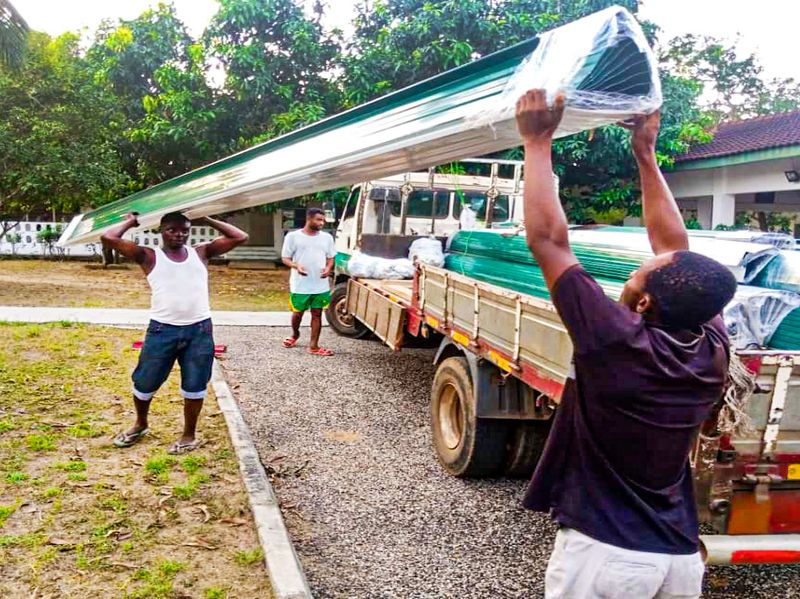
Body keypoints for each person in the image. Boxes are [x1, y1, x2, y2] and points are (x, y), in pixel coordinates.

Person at [515, 89, 737, 599]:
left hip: (607, 557)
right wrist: (645, 152)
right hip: (679, 558)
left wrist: (537, 139)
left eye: (635, 277)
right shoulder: (708, 342)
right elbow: (675, 251)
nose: (634, 274)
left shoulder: (615, 341)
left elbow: (548, 240)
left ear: (641, 306)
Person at [101, 211, 248, 454]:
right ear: (162, 230)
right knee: (145, 381)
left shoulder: (201, 253)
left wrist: (208, 219)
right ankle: (140, 423)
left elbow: (240, 236)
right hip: (162, 330)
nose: (178, 234)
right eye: (172, 229)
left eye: (184, 230)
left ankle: (189, 434)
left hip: (199, 330)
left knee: (195, 383)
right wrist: (131, 220)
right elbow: (109, 237)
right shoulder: (148, 256)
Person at [281, 207, 335, 356]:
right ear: (309, 219)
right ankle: (295, 334)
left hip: (320, 284)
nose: (322, 223)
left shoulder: (327, 238)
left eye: (323, 220)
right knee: (297, 314)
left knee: (317, 314)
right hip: (300, 284)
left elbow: (331, 257)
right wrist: (296, 266)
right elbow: (285, 258)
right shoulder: (293, 237)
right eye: (318, 220)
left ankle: (314, 346)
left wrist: (329, 268)